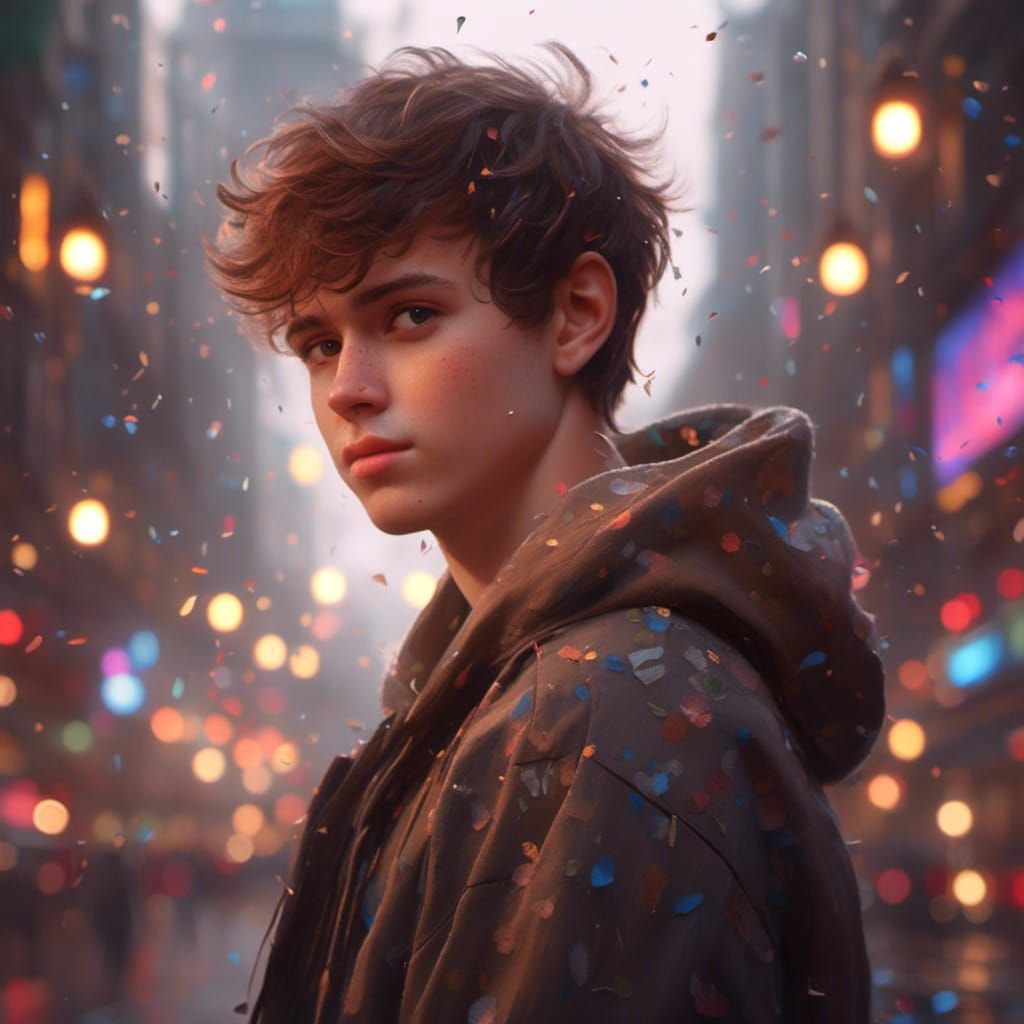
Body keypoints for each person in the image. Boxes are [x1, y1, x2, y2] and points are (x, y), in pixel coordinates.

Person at [205, 42, 887, 1023]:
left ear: (575, 315)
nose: (347, 387)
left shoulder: (603, 714)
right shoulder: (526, 692)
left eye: (409, 315)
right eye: (317, 343)